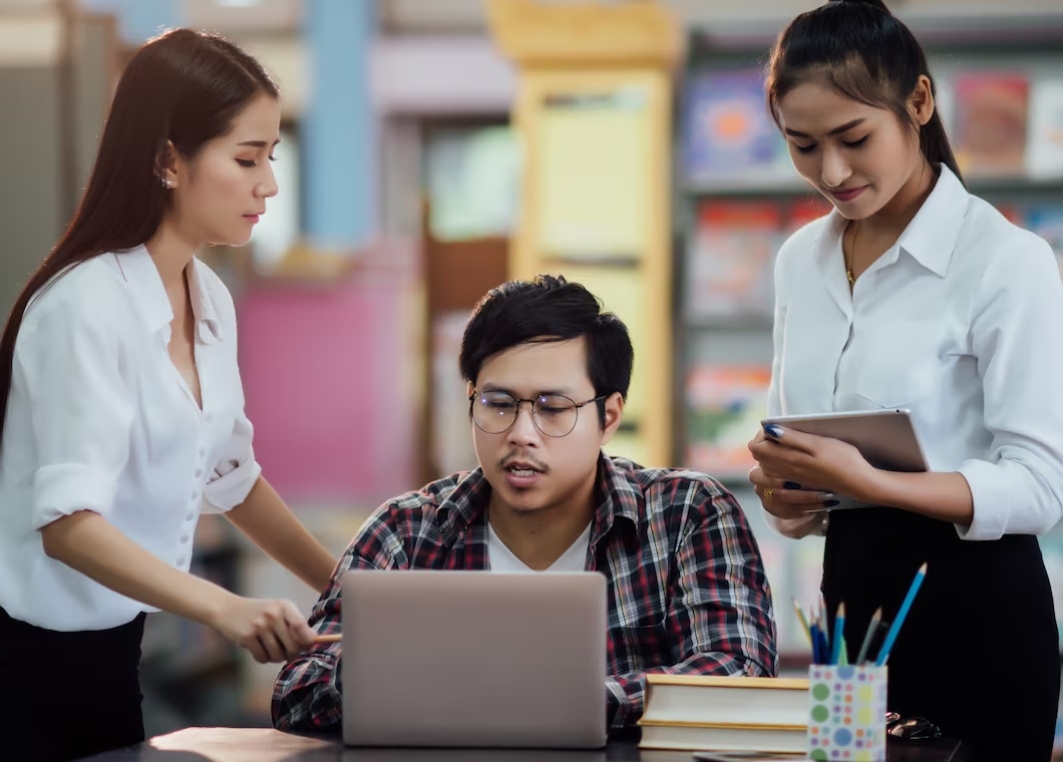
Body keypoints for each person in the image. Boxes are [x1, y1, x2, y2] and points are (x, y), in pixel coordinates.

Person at [0, 29, 337, 762]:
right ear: (167, 160)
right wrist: (226, 608)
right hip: (19, 668)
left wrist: (349, 590)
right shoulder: (83, 305)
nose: (269, 184)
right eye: (247, 158)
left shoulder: (208, 297)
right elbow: (68, 525)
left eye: (270, 158)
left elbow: (231, 476)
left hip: (110, 655)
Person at [747, 1, 1063, 759]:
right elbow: (792, 443)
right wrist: (786, 496)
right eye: (802, 146)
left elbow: (1041, 488)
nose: (831, 172)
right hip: (848, 612)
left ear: (917, 104)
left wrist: (877, 484)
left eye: (854, 139)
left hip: (978, 613)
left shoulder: (1004, 261)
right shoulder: (799, 259)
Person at [272, 275, 777, 733]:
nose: (521, 435)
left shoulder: (686, 512)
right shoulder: (407, 528)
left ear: (609, 415)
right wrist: (384, 670)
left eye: (552, 409)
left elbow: (737, 672)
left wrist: (542, 701)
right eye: (498, 404)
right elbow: (298, 692)